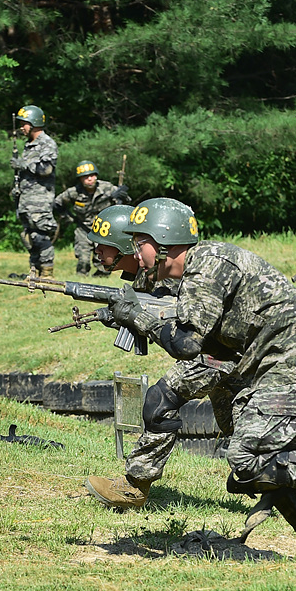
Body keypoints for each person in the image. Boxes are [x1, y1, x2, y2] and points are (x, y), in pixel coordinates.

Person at [99, 197, 296, 562]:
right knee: (259, 472)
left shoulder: (206, 268)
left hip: (294, 367)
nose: (135, 253)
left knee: (246, 459)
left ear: (165, 243)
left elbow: (188, 345)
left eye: (140, 243)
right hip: (266, 371)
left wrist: (141, 319)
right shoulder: (194, 271)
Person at [83, 204, 243, 512]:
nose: (97, 252)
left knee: (160, 399)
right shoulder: (148, 274)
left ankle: (134, 486)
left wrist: (139, 318)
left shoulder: (180, 270)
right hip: (222, 348)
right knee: (240, 434)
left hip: (218, 349)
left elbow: (183, 335)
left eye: (104, 246)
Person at [52, 160, 129, 276]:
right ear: (80, 179)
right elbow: (57, 203)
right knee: (83, 261)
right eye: (85, 177)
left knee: (104, 263)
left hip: (103, 230)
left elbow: (125, 203)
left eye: (92, 175)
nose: (89, 179)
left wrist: (122, 196)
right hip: (83, 229)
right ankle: (81, 278)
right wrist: (68, 217)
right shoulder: (73, 192)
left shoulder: (107, 187)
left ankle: (100, 277)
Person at [10, 105, 58, 278]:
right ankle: (35, 271)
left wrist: (23, 164)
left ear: (34, 122)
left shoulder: (46, 143)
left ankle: (47, 273)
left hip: (40, 200)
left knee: (41, 236)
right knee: (29, 237)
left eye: (25, 123)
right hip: (26, 200)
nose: (22, 127)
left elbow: (46, 169)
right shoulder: (28, 145)